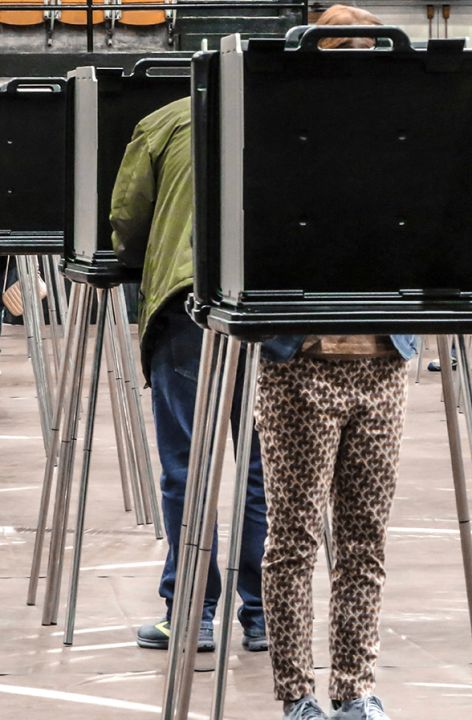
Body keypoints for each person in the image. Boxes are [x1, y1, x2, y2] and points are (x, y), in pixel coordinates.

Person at [248, 11, 419, 720]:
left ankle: (355, 687)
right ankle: (297, 694)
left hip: (382, 364)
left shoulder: (403, 140)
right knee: (292, 537)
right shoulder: (281, 137)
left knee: (364, 541)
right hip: (299, 363)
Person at [110, 96, 269, 653]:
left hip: (189, 303)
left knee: (187, 467)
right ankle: (266, 616)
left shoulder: (167, 117)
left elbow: (128, 215)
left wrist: (133, 258)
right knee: (264, 468)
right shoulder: (302, 109)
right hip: (276, 306)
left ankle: (192, 614)